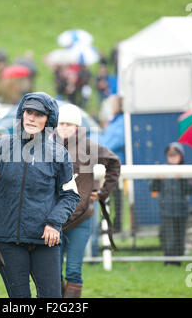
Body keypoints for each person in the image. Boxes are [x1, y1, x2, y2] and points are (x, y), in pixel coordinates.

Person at [0, 92, 81, 298]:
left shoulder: (59, 154)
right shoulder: (0, 147)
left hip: (45, 240)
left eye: (39, 114)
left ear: (49, 120)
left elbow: (70, 196)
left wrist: (54, 223)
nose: (31, 118)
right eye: (28, 112)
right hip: (7, 239)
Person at [54, 103, 120, 298]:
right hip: (53, 221)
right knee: (52, 272)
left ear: (77, 127)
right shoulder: (46, 146)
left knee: (73, 270)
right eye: (61, 123)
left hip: (81, 219)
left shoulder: (89, 146)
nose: (64, 127)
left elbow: (114, 163)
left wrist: (103, 193)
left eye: (69, 124)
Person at [149, 142, 192, 265]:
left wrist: (182, 179)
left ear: (181, 156)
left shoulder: (187, 170)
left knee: (180, 237)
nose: (172, 158)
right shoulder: (162, 169)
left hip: (182, 210)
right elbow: (153, 188)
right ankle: (168, 261)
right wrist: (156, 179)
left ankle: (178, 260)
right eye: (170, 155)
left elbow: (191, 190)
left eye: (175, 155)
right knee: (168, 237)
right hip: (167, 210)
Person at [98, 95, 125, 233]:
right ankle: (106, 223)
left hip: (116, 167)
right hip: (108, 166)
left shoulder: (120, 122)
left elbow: (110, 143)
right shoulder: (114, 121)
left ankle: (115, 225)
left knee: (116, 199)